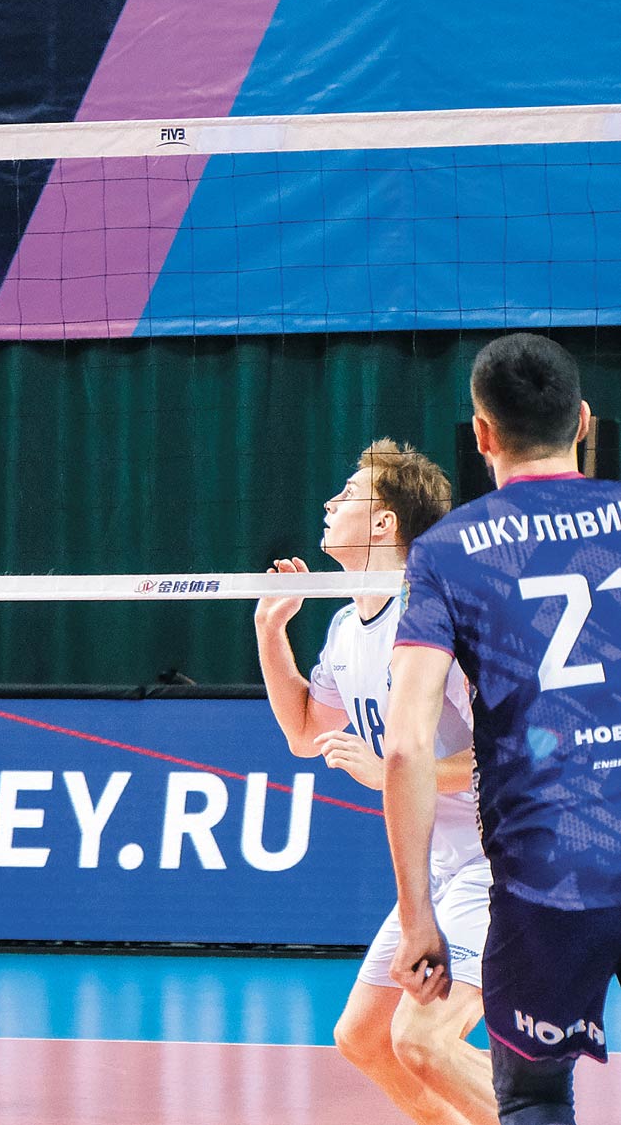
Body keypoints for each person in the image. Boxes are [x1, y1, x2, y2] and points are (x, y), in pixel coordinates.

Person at [386, 334, 621, 1125]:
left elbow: (407, 746)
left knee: (534, 1095)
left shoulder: (446, 553)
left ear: (482, 434)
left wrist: (417, 918)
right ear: (583, 421)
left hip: (546, 870)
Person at [253, 440, 493, 1125]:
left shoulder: (441, 614)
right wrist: (271, 632)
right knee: (363, 1038)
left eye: (348, 495)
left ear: (384, 522)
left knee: (422, 1039)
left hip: (500, 857)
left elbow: (516, 754)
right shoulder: (343, 627)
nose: (330, 504)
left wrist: (395, 770)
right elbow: (306, 734)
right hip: (438, 865)